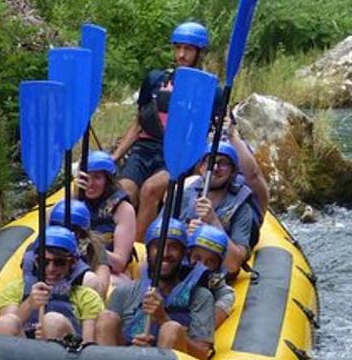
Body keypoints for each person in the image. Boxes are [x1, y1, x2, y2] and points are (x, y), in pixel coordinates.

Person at [110, 21, 224, 241]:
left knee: (150, 189)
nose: (181, 54)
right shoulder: (155, 80)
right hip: (144, 150)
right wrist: (115, 156)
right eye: (178, 47)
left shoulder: (212, 92)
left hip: (180, 154)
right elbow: (138, 123)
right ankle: (117, 242)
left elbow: (216, 133)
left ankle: (140, 249)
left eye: (188, 49)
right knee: (125, 191)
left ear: (199, 53)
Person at [94, 218, 215, 360]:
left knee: (171, 329)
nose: (165, 254)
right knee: (106, 318)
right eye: (158, 246)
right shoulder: (124, 292)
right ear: (148, 250)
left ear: (183, 254)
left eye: (173, 247)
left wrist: (163, 319)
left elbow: (202, 354)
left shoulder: (201, 296)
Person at [0, 226, 104, 341]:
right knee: (6, 323)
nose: (50, 269)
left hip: (65, 354)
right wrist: (29, 304)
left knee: (52, 322)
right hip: (23, 351)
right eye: (43, 261)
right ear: (35, 261)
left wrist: (53, 332)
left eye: (59, 262)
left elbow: (88, 345)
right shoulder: (15, 289)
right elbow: (4, 326)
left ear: (72, 263)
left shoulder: (87, 297)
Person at [179, 140, 263, 276]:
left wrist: (213, 221)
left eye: (223, 163)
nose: (215, 167)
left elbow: (233, 265)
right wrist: (183, 235)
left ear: (233, 172)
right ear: (201, 167)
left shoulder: (242, 207)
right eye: (210, 161)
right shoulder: (186, 194)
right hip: (181, 270)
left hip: (214, 278)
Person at [78, 151, 136, 287]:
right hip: (75, 268)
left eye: (97, 177)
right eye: (87, 177)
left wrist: (92, 247)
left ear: (108, 181)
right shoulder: (73, 202)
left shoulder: (123, 209)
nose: (90, 183)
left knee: (93, 281)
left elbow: (120, 263)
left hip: (112, 272)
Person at [45, 198, 112, 297]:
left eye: (73, 230)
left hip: (78, 297)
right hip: (45, 295)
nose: (64, 234)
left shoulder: (94, 246)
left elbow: (101, 287)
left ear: (82, 233)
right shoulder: (41, 245)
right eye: (58, 227)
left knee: (91, 280)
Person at [188, 224, 236, 328]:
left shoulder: (225, 294)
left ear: (218, 266)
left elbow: (204, 329)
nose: (201, 266)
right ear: (189, 255)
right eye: (197, 258)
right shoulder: (171, 274)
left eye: (210, 262)